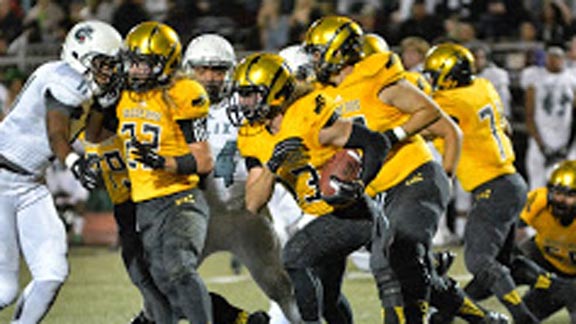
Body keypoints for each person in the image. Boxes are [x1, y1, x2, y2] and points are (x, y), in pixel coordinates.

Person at [303, 16, 461, 323]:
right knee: (403, 263)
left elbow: (431, 113)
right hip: (375, 192)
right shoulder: (324, 92)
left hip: (412, 177)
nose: (314, 59)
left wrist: (392, 137)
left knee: (388, 259)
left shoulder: (375, 78)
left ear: (339, 50)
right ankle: (481, 316)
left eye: (319, 51)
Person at [229, 52, 402, 324]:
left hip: (349, 212)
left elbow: (376, 143)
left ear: (274, 92)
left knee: (295, 256)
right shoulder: (252, 136)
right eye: (241, 94)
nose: (243, 102)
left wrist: (358, 185)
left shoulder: (307, 116)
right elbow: (253, 203)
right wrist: (272, 166)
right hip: (317, 217)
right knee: (329, 300)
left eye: (251, 94)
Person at [0, 20, 119, 323]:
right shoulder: (63, 77)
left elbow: (93, 136)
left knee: (52, 274)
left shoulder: (86, 87)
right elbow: (57, 133)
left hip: (30, 184)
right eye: (104, 63)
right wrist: (74, 163)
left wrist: (106, 107)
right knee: (4, 288)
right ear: (81, 56)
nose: (109, 71)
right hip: (1, 179)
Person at [182, 33, 302, 323]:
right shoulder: (175, 107)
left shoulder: (247, 105)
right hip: (197, 218)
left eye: (219, 70)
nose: (211, 78)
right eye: (202, 69)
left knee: (281, 287)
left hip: (244, 216)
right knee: (170, 288)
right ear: (189, 70)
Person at [423, 42, 538, 323]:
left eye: (434, 73)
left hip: (494, 188)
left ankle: (524, 318)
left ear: (449, 74)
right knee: (502, 265)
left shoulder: (452, 101)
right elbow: (506, 126)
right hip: (510, 180)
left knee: (479, 262)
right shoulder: (483, 86)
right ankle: (560, 289)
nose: (431, 79)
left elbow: (424, 128)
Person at [115, 21, 213, 323]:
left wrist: (164, 162)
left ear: (166, 62)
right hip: (143, 202)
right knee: (157, 280)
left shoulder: (183, 92)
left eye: (144, 64)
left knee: (178, 267)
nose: (136, 70)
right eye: (133, 62)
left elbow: (204, 160)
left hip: (180, 197)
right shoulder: (120, 94)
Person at [515, 160, 576, 323]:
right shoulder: (540, 200)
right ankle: (457, 303)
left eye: (570, 195)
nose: (561, 200)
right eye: (558, 192)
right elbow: (511, 229)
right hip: (546, 263)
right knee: (499, 264)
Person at [522, 46, 576, 190]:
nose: (554, 60)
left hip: (565, 141)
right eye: (551, 56)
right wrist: (542, 145)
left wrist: (568, 145)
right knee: (537, 188)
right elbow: (529, 114)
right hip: (540, 139)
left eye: (558, 57)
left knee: (567, 187)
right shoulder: (535, 77)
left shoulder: (571, 78)